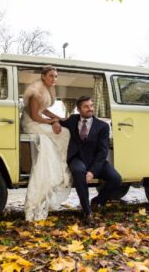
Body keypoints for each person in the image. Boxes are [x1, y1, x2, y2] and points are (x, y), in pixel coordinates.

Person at [52, 95, 122, 225]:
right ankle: (87, 211)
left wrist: (93, 171)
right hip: (77, 158)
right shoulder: (72, 119)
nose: (90, 109)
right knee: (79, 172)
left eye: (91, 105)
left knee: (116, 178)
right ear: (79, 109)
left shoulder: (103, 126)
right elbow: (59, 120)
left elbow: (103, 151)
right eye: (86, 106)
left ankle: (98, 201)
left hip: (96, 160)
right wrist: (55, 122)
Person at [21, 65, 72, 221]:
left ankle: (60, 161)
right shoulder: (36, 91)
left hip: (38, 119)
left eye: (56, 76)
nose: (54, 79)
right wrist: (53, 122)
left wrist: (58, 118)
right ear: (43, 76)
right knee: (64, 133)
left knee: (63, 129)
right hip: (30, 123)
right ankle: (61, 163)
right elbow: (35, 116)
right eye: (51, 76)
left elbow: (44, 110)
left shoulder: (48, 89)